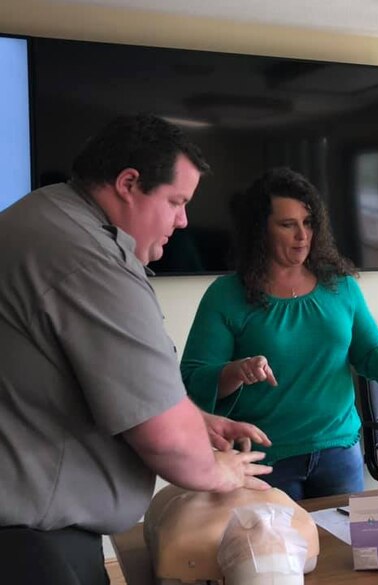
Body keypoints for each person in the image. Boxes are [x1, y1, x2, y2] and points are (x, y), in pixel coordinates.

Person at [0, 114, 273, 585]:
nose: (184, 220)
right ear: (128, 183)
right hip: (30, 546)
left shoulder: (43, 215)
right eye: (175, 202)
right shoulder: (86, 259)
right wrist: (219, 470)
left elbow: (86, 381)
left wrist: (196, 420)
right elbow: (167, 442)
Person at [180, 167, 378, 500]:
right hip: (265, 460)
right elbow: (192, 380)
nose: (303, 235)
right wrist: (236, 371)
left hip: (338, 453)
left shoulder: (341, 287)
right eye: (288, 225)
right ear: (260, 231)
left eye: (308, 223)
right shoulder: (226, 296)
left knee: (347, 551)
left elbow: (369, 355)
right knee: (275, 552)